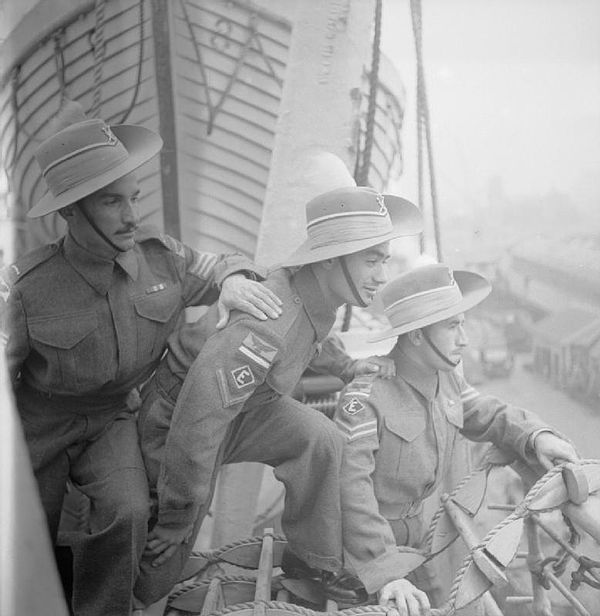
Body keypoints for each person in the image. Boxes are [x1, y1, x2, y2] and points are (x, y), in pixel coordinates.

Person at [1, 102, 284, 616]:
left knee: (128, 512)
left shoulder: (162, 258)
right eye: (112, 203)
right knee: (24, 533)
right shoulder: (25, 290)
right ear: (69, 211)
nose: (132, 216)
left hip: (113, 418)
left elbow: (220, 264)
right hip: (38, 424)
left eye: (133, 198)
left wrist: (235, 280)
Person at [133, 185, 423, 605]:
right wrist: (179, 515)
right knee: (160, 560)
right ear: (328, 259)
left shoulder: (321, 293)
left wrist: (346, 368)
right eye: (371, 261)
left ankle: (315, 564)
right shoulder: (268, 323)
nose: (381, 275)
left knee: (320, 439)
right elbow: (199, 418)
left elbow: (312, 340)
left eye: (384, 260)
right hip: (178, 421)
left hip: (244, 410)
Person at [333, 263, 579, 616]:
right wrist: (386, 571)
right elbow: (350, 489)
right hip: (368, 555)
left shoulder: (445, 381)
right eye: (452, 326)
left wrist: (536, 436)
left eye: (463, 324)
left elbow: (488, 413)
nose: (464, 338)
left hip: (425, 542)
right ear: (417, 335)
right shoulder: (367, 398)